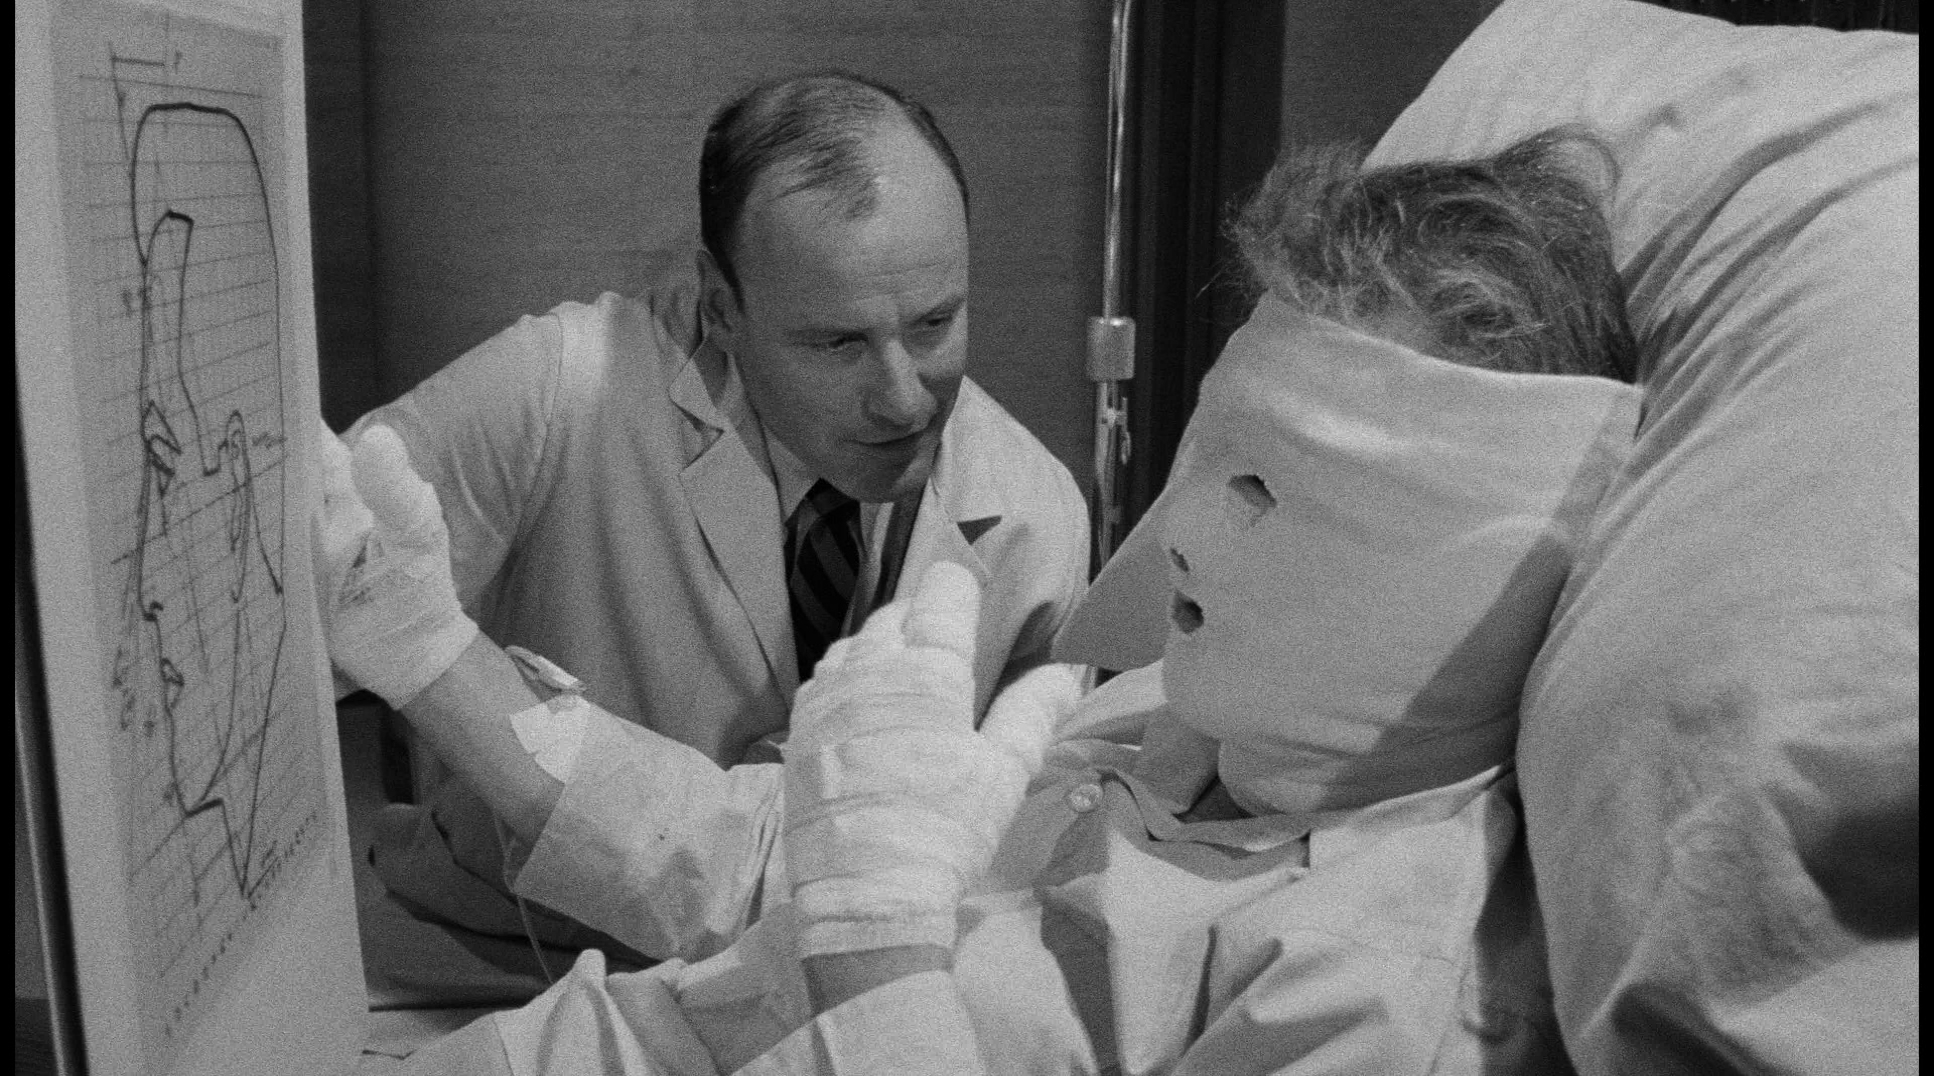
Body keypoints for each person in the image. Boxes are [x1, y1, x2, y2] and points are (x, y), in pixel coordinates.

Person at [324, 126, 1641, 1072]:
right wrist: (427, 646)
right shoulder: (1159, 714)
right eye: (1213, 459)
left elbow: (866, 921)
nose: (1179, 532)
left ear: (1459, 557)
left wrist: (880, 963)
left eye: (1271, 490)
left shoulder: (1373, 993)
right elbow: (796, 858)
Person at [333, 71, 1091, 954]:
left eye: (933, 324)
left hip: (836, 983)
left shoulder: (1036, 514)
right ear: (720, 306)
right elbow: (292, 584)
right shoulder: (561, 389)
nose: (904, 400)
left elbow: (1006, 873)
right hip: (507, 957)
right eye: (837, 342)